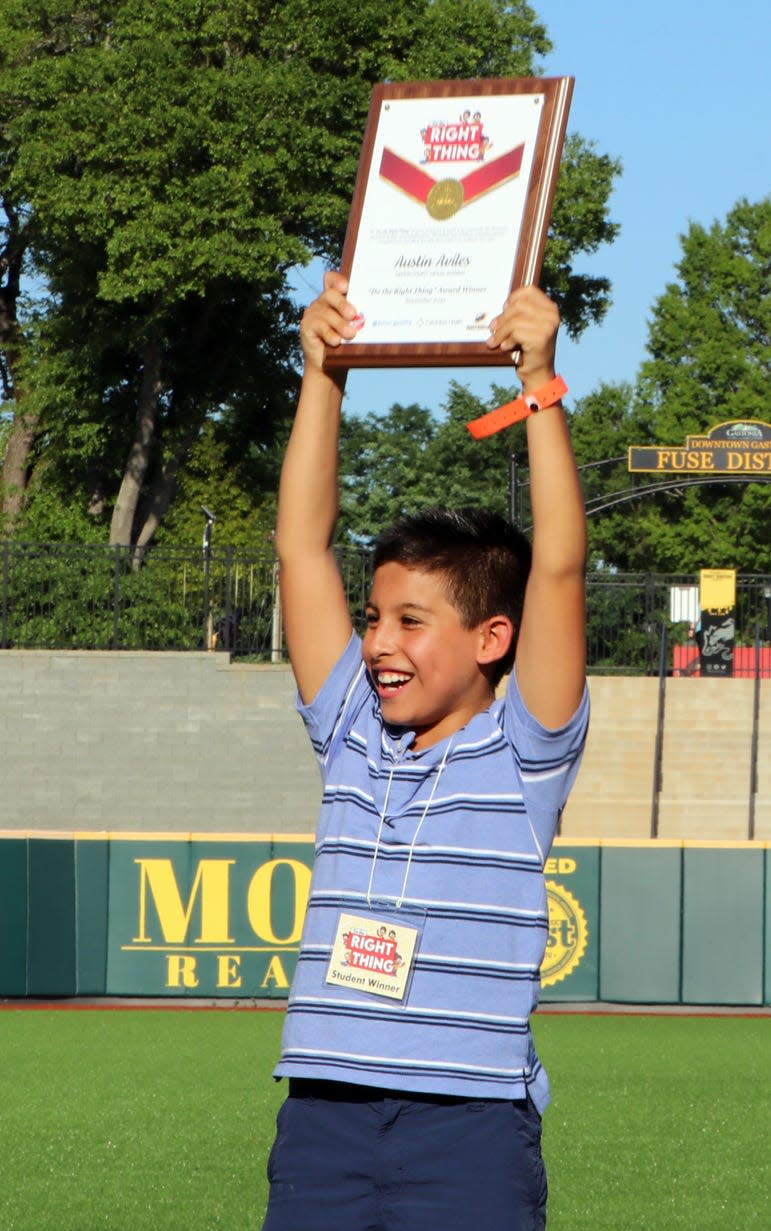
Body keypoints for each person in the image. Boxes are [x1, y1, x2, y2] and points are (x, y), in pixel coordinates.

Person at [261, 272, 589, 1231]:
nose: (377, 642)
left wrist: (540, 384)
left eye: (411, 620)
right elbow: (298, 547)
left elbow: (559, 566)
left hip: (469, 1127)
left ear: (493, 637)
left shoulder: (523, 750)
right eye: (372, 618)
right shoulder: (351, 724)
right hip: (322, 1116)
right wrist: (322, 374)